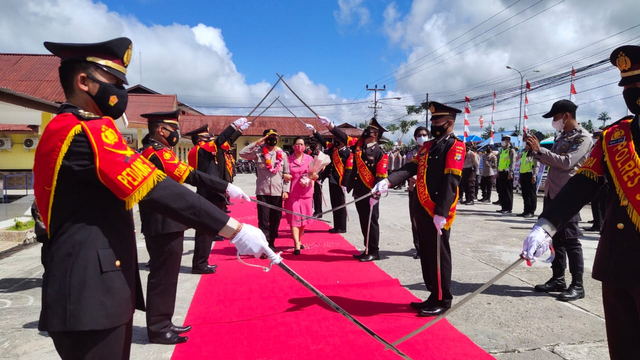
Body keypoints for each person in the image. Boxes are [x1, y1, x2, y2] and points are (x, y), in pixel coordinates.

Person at [33, 37, 276, 360]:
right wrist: (235, 229)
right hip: (90, 293)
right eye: (115, 82)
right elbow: (159, 187)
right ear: (83, 81)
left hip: (90, 286)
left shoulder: (65, 128)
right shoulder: (87, 131)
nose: (121, 92)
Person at [521, 45, 640, 360]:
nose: (631, 93)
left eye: (637, 86)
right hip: (620, 262)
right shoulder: (615, 137)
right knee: (624, 347)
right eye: (627, 87)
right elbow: (584, 182)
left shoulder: (593, 136)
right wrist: (545, 225)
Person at [138, 110, 251, 344]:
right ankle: (158, 327)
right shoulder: (155, 153)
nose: (176, 134)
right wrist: (225, 187)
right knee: (162, 275)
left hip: (168, 219)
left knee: (168, 275)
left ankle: (163, 322)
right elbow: (188, 174)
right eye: (173, 129)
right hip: (161, 221)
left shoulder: (161, 151)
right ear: (160, 130)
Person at [373, 101, 465, 316]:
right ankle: (433, 294)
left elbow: (451, 181)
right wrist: (389, 181)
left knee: (438, 254)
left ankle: (443, 299)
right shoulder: (428, 146)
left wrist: (441, 213)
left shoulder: (455, 146)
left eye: (437, 120)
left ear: (449, 122)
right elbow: (410, 167)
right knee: (426, 252)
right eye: (432, 120)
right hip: (422, 206)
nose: (433, 124)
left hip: (437, 209)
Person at [524, 99, 592, 301]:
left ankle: (578, 285)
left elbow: (567, 162)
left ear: (566, 116)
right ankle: (558, 278)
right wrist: (535, 151)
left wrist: (540, 150)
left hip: (569, 195)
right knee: (554, 239)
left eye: (555, 117)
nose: (554, 121)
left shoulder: (583, 137)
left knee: (571, 241)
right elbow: (552, 159)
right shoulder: (563, 136)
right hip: (553, 193)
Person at [317, 116, 389, 262]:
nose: (366, 131)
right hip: (359, 191)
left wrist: (376, 195)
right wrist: (331, 125)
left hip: (370, 193)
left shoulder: (380, 153)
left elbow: (381, 176)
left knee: (371, 223)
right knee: (363, 221)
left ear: (375, 134)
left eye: (370, 130)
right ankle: (367, 248)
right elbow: (343, 136)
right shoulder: (358, 146)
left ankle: (374, 251)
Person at [184, 121, 249, 273]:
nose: (211, 140)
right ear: (201, 141)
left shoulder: (204, 151)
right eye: (208, 138)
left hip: (211, 193)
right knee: (204, 231)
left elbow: (224, 143)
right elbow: (220, 142)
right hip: (207, 194)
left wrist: (238, 131)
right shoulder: (199, 151)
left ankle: (201, 262)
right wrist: (233, 126)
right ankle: (200, 264)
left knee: (208, 230)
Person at [239, 129, 292, 250]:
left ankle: (272, 242)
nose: (272, 139)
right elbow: (242, 153)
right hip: (262, 192)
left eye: (274, 137)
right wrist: (257, 143)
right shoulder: (258, 153)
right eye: (269, 137)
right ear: (265, 138)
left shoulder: (282, 154)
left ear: (277, 138)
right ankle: (264, 245)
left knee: (275, 219)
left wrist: (285, 190)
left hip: (277, 192)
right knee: (263, 220)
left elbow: (287, 174)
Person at [308, 124, 352, 233]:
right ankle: (337, 226)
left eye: (338, 139)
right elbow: (324, 142)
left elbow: (349, 170)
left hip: (340, 181)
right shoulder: (334, 149)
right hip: (332, 179)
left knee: (340, 204)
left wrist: (345, 184)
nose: (336, 141)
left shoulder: (347, 152)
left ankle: (342, 227)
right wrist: (314, 131)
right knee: (334, 203)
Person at [284, 137, 319, 254]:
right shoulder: (288, 160)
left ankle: (299, 240)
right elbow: (283, 175)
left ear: (305, 146)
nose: (299, 146)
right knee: (294, 219)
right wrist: (285, 176)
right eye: (297, 144)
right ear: (293, 146)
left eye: (302, 144)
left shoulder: (310, 159)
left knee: (303, 220)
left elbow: (315, 176)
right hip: (292, 194)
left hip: (306, 194)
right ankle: (296, 244)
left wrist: (313, 177)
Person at [408, 127, 430, 259]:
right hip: (414, 189)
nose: (422, 137)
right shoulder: (412, 153)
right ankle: (419, 248)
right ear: (415, 138)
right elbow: (407, 169)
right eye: (419, 135)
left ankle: (428, 247)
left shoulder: (431, 150)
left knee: (427, 220)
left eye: (425, 134)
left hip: (428, 190)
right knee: (415, 220)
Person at [517, 143, 540, 218]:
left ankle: (531, 211)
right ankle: (526, 210)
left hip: (530, 174)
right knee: (525, 194)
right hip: (523, 174)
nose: (525, 145)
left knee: (531, 194)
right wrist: (520, 175)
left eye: (527, 144)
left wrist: (534, 175)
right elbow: (522, 165)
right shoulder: (524, 152)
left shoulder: (533, 153)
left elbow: (536, 165)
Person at [496, 134, 516, 213]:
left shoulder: (511, 150)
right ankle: (503, 207)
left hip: (507, 172)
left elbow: (513, 162)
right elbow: (499, 162)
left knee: (508, 190)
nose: (502, 142)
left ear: (508, 141)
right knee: (502, 190)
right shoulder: (501, 150)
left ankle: (508, 208)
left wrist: (511, 172)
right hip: (501, 172)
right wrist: (497, 171)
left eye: (504, 140)